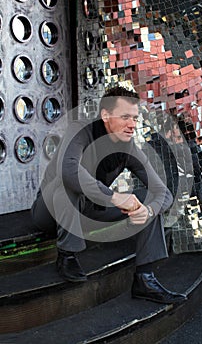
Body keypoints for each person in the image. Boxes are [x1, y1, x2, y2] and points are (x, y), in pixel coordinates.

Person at [31, 86, 187, 304]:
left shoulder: (129, 147)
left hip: (89, 212)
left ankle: (145, 278)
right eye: (125, 117)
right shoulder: (80, 130)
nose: (132, 124)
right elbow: (69, 171)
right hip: (49, 212)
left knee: (147, 198)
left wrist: (148, 210)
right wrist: (114, 197)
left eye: (135, 117)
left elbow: (164, 193)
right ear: (106, 115)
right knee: (66, 185)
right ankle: (67, 255)